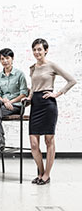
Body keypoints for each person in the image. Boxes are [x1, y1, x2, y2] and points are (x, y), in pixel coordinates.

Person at [23, 38, 76, 185]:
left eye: (39, 49)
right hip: (35, 105)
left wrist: (57, 94)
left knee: (49, 140)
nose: (37, 52)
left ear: (46, 50)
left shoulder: (51, 65)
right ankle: (40, 172)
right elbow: (33, 87)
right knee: (34, 144)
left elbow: (72, 80)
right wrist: (29, 97)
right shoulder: (32, 68)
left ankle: (47, 174)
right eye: (34, 49)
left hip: (48, 105)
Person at [0, 48, 28, 151]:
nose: (5, 61)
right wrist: (4, 101)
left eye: (7, 58)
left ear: (12, 58)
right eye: (2, 59)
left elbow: (24, 93)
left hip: (16, 105)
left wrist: (10, 102)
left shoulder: (20, 74)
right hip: (2, 104)